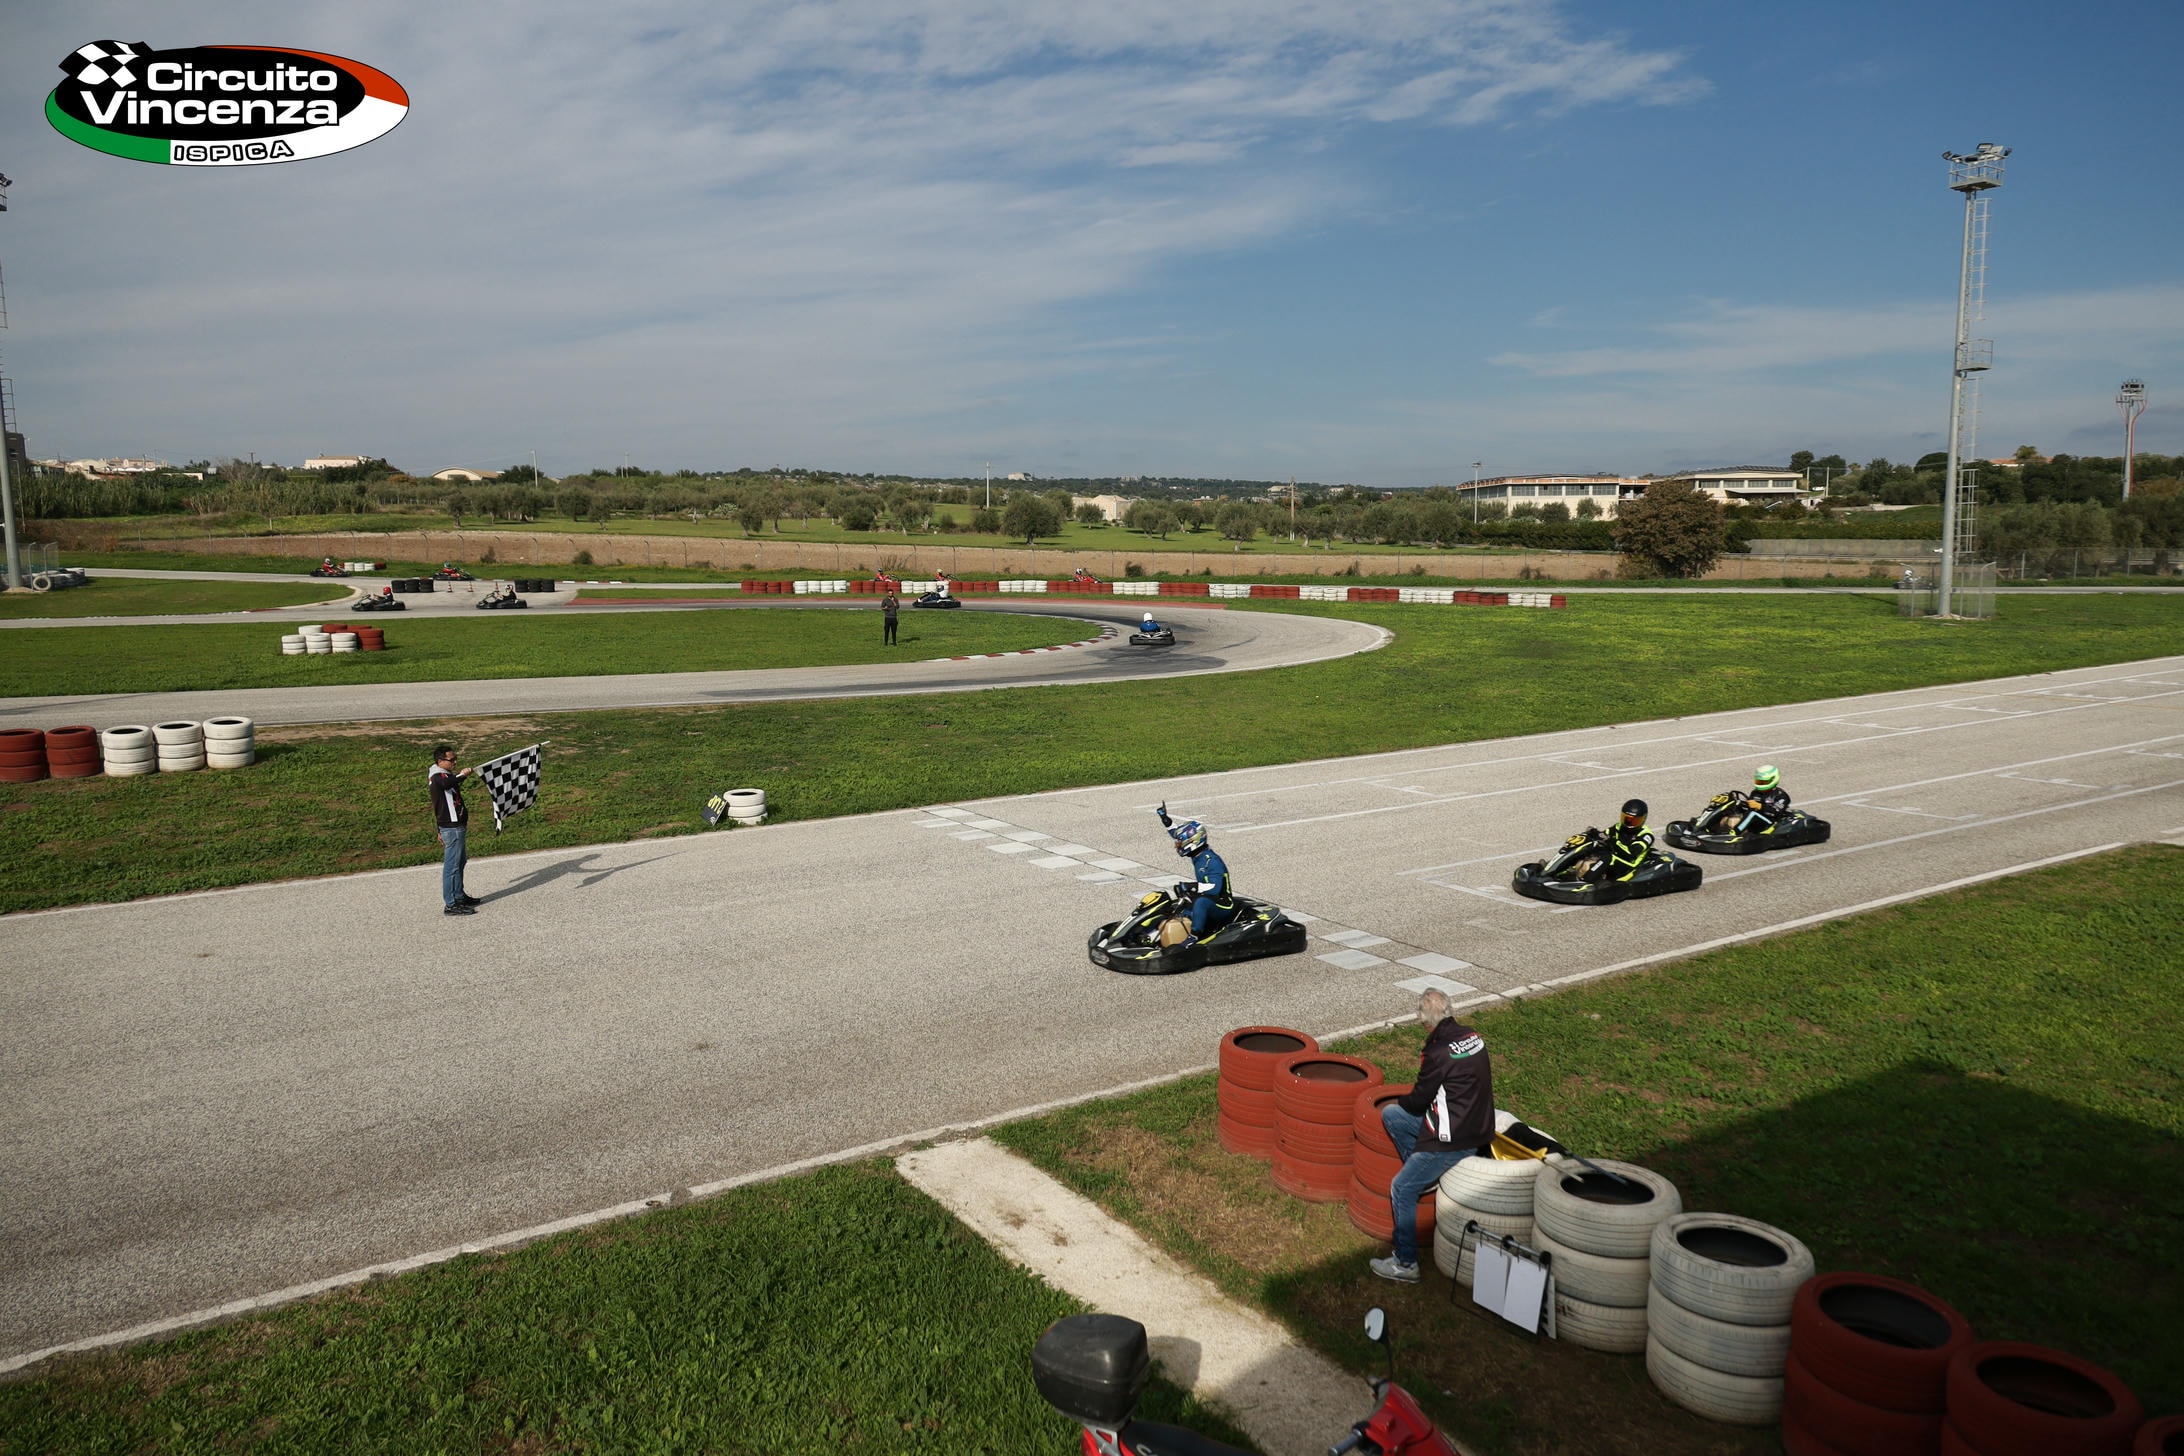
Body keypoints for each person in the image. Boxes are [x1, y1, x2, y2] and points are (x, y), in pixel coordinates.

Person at [1371, 988, 1493, 1283]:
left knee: (1401, 1187)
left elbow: (1417, 1101)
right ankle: (1423, 1175)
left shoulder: (1437, 1054)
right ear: (1449, 1011)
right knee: (1392, 1116)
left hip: (1453, 1140)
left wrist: (1402, 1099)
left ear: (1425, 1021)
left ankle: (1405, 1263)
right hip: (1478, 1126)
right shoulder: (1473, 1036)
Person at [1154, 802, 1235, 941]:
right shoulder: (1197, 854)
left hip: (1223, 903)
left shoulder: (1211, 862)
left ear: (1192, 842)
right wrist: (1166, 821)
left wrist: (1192, 887)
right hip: (1209, 898)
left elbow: (1215, 888)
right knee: (1178, 905)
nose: (1178, 845)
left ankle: (1194, 937)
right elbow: (1176, 834)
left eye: (1180, 843)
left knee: (1200, 903)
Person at [428, 745, 480, 916]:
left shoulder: (444, 775)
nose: (455, 762)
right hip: (452, 828)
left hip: (453, 827)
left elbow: (439, 804)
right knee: (452, 867)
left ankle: (459, 896)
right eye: (451, 760)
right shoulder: (438, 777)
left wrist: (439, 829)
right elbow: (447, 783)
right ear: (440, 761)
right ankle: (451, 904)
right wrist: (462, 775)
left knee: (460, 862)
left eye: (455, 758)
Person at [1587, 798, 1653, 882]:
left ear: (1643, 819)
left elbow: (1630, 854)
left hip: (1630, 866)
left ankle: (1585, 881)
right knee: (1592, 847)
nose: (1628, 823)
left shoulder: (1646, 835)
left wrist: (1611, 841)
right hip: (1617, 857)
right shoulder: (1618, 827)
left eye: (1634, 821)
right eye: (1626, 819)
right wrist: (1593, 833)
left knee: (1609, 858)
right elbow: (1604, 835)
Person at [1734, 765, 1792, 833]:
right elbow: (1750, 807)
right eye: (1759, 782)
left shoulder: (1781, 796)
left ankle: (1734, 833)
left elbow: (1775, 812)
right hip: (1758, 820)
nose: (1761, 784)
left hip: (1772, 823)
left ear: (1773, 780)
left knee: (1752, 814)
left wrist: (1759, 806)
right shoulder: (1755, 793)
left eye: (1764, 782)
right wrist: (1740, 804)